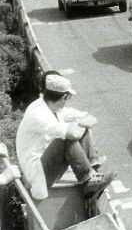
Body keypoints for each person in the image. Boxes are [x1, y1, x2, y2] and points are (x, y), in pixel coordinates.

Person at [15, 71, 115, 201]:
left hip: (47, 165)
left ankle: (94, 170)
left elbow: (90, 118)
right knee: (66, 138)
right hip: (36, 174)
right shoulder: (38, 114)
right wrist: (79, 124)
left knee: (80, 128)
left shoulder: (53, 108)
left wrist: (80, 123)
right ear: (64, 97)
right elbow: (72, 133)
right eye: (68, 98)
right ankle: (88, 181)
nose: (67, 102)